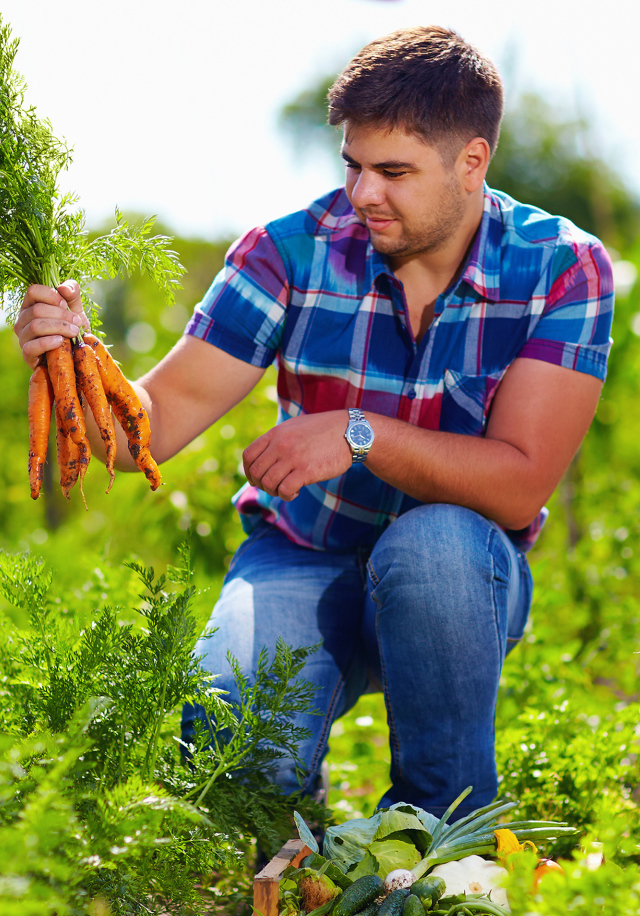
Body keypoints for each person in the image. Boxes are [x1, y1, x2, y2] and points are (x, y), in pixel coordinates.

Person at [15, 26, 613, 820]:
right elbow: (147, 434)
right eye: (354, 165)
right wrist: (73, 361)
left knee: (432, 545)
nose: (365, 193)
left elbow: (518, 484)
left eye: (394, 172)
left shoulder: (562, 268)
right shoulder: (289, 252)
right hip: (299, 555)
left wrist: (356, 433)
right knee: (235, 754)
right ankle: (288, 826)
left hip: (458, 579)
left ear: (473, 162)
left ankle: (438, 827)